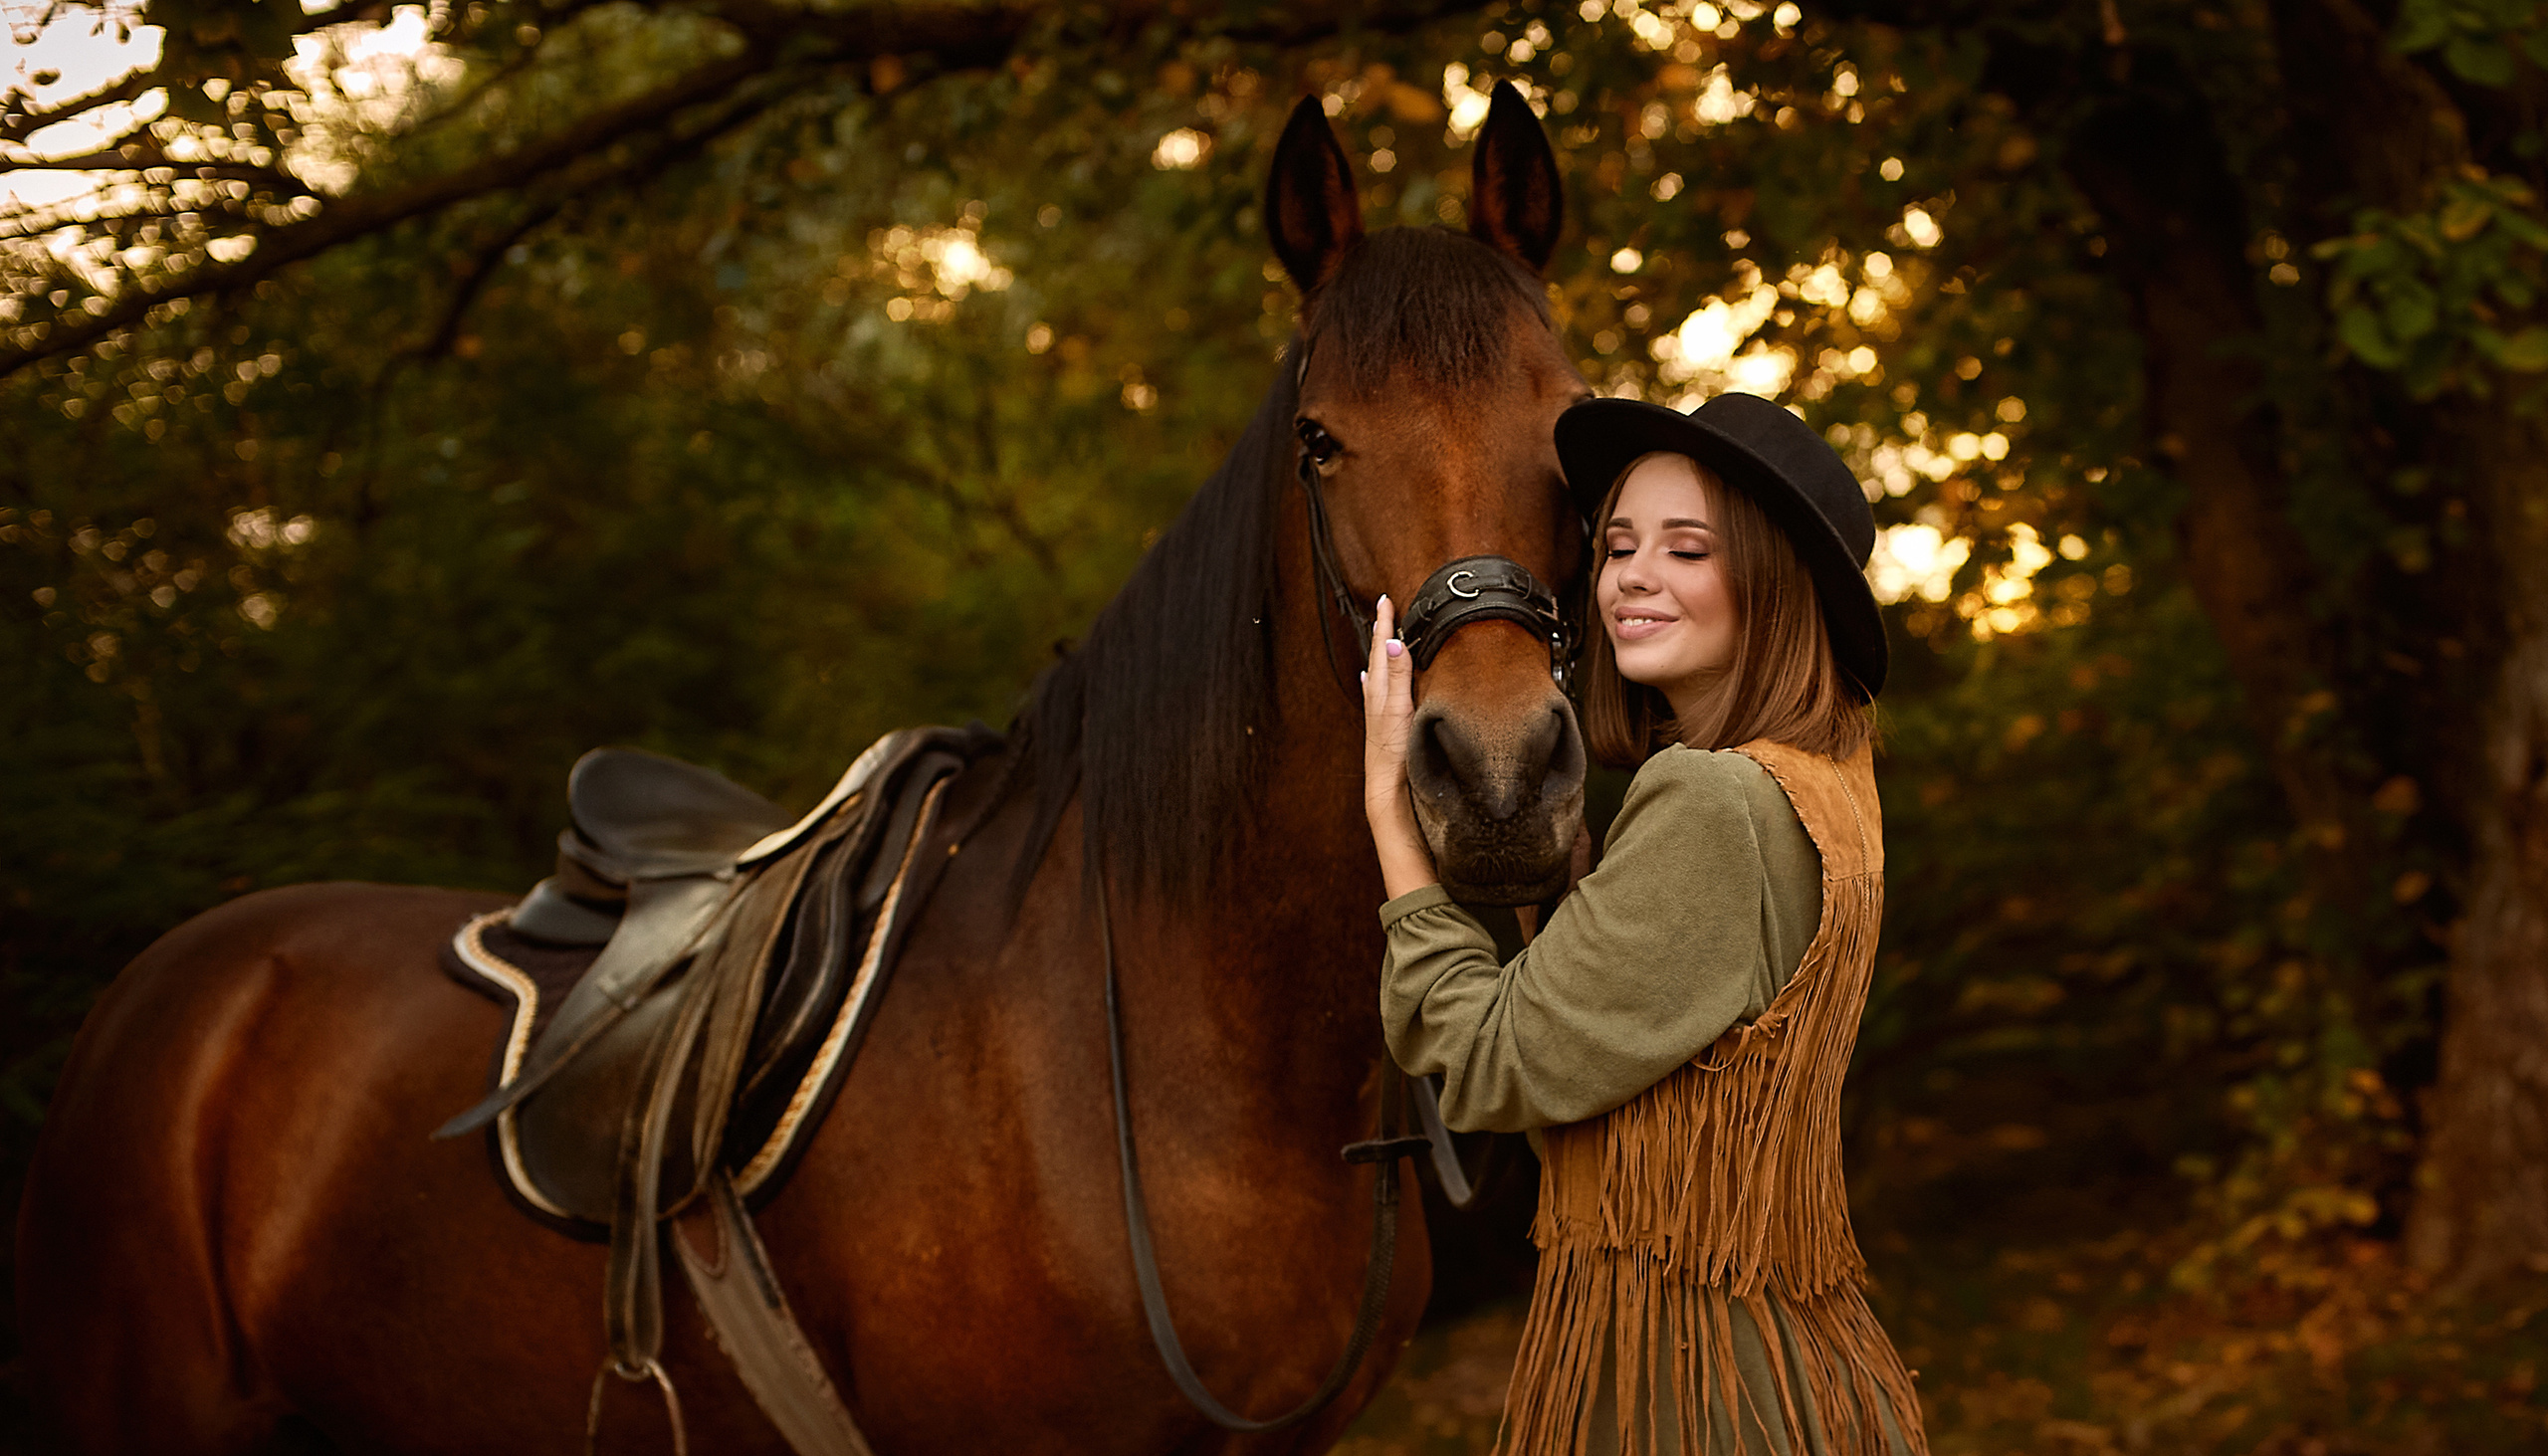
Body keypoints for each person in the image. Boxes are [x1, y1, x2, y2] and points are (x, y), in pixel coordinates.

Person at [1361, 392, 1928, 1455]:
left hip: (1692, 1394)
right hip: (1792, 1373)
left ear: (1772, 579)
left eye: (1687, 547)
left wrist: (1392, 814)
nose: (1630, 574)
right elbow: (1604, 1091)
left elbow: (1487, 1065)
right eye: (1617, 543)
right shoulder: (1829, 784)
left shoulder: (1714, 803)